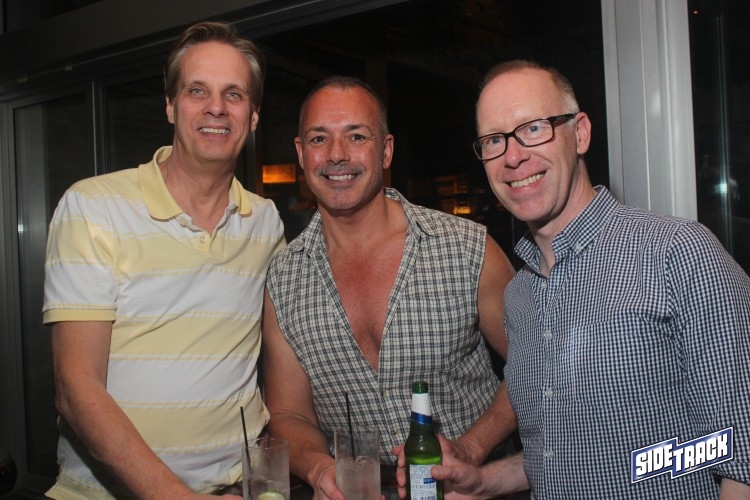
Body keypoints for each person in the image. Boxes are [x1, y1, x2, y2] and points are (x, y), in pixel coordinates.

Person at [427, 60, 750, 498]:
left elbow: (739, 448)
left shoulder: (675, 252)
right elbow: (561, 455)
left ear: (579, 133)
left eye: (534, 128)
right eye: (494, 140)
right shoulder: (520, 295)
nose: (513, 156)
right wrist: (483, 482)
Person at [42, 21, 285, 499]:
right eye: (197, 90)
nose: (216, 107)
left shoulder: (264, 222)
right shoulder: (93, 207)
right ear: (171, 106)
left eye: (234, 94)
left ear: (253, 116)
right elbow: (75, 387)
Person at [261, 76, 518, 499]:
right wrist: (319, 467)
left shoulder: (466, 249)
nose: (337, 155)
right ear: (301, 153)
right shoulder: (284, 279)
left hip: (477, 488)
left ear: (386, 150)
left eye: (356, 136)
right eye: (319, 138)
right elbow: (289, 413)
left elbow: (536, 364)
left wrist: (470, 449)